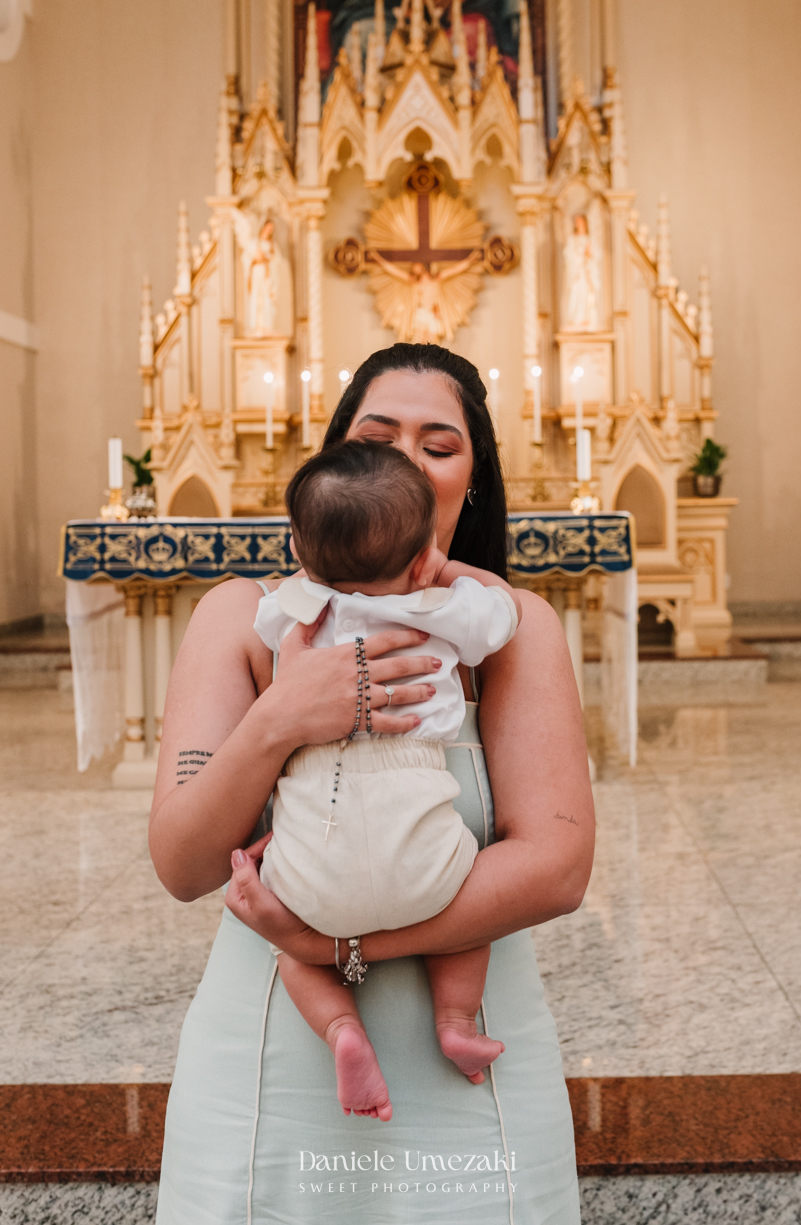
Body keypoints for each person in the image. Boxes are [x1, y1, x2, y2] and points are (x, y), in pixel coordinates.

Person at [151, 342, 594, 1225]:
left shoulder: (507, 627)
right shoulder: (245, 617)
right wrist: (281, 717)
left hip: (472, 1070)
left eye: (439, 445)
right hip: (270, 1065)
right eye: (377, 437)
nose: (407, 461)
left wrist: (331, 947)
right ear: (335, 462)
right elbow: (184, 863)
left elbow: (556, 868)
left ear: (472, 481)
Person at [254, 440, 523, 1122]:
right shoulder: (436, 607)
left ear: (299, 547)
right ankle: (455, 1020)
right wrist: (441, 570)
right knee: (465, 922)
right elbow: (501, 614)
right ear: (421, 558)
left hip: (314, 846)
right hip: (421, 843)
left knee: (291, 951)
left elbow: (266, 619)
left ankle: (343, 1030)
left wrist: (310, 579)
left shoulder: (293, 609)